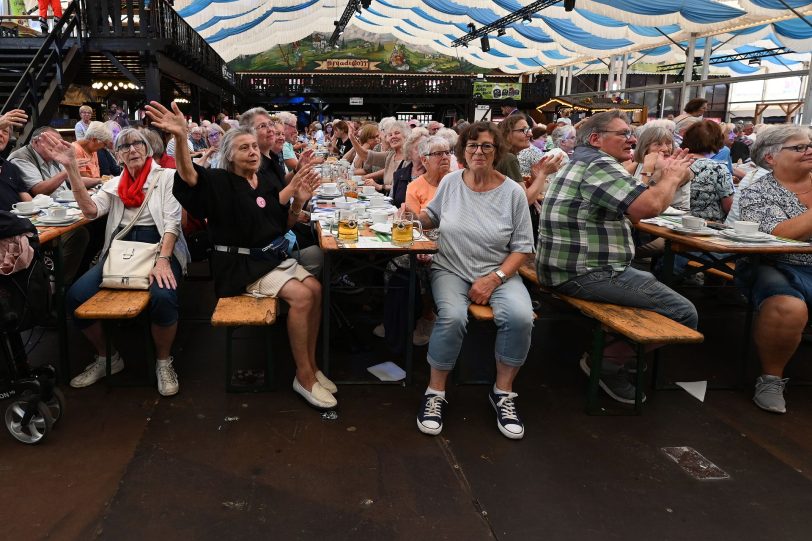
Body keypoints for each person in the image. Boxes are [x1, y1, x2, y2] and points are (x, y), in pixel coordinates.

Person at [148, 101, 336, 410]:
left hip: (267, 259)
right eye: (243, 148)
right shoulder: (220, 182)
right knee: (302, 297)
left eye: (253, 146)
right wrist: (182, 138)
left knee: (315, 288)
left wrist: (298, 202)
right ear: (229, 156)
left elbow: (282, 224)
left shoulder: (260, 181)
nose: (252, 151)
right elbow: (189, 176)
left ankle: (312, 366)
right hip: (239, 266)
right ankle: (303, 377)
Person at [537, 110, 697, 405]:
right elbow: (647, 208)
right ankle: (607, 364)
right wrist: (672, 177)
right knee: (683, 313)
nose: (632, 139)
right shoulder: (598, 166)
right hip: (583, 272)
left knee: (648, 279)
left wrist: (660, 177)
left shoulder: (585, 162)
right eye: (623, 133)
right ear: (596, 139)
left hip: (567, 267)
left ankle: (626, 353)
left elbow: (636, 209)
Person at [411, 122, 536, 440]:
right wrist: (414, 217)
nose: (478, 152)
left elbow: (523, 248)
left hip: (499, 272)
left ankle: (503, 393)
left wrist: (494, 279)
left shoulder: (513, 193)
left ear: (497, 151)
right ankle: (435, 393)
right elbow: (434, 216)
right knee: (452, 317)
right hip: (450, 268)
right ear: (462, 151)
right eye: (472, 146)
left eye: (486, 146)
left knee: (521, 317)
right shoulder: (452, 182)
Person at [52, 127, 190, 396]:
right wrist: (70, 169)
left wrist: (164, 260)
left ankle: (163, 362)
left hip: (161, 246)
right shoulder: (114, 184)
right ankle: (108, 358)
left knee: (163, 296)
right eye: (124, 147)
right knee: (75, 297)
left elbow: (173, 224)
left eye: (137, 143)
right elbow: (91, 211)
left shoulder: (167, 178)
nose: (132, 149)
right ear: (118, 156)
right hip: (122, 251)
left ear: (147, 148)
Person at [736, 125, 812, 413]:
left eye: (810, 144)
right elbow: (778, 235)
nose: (809, 151)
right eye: (799, 147)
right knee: (788, 307)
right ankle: (771, 378)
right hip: (774, 262)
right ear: (770, 158)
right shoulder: (758, 192)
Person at [9, 127, 99, 196]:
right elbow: (39, 190)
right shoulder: (21, 158)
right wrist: (68, 168)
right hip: (44, 213)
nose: (56, 146)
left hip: (64, 204)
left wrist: (100, 181)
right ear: (35, 142)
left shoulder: (53, 154)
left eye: (58, 143)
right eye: (51, 141)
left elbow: (73, 179)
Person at [682, 120, 734, 223]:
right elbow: (729, 207)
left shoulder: (677, 162)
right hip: (707, 227)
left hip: (674, 222)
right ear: (717, 140)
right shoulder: (718, 168)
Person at [349, 120, 411, 194]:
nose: (393, 136)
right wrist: (352, 138)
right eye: (390, 135)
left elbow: (407, 186)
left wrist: (380, 186)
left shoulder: (411, 157)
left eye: (397, 133)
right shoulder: (390, 155)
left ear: (406, 135)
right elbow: (365, 155)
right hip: (388, 198)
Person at [0, 110, 33, 212]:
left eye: (5, 131)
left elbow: (26, 198)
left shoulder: (10, 167)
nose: (1, 134)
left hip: (17, 221)